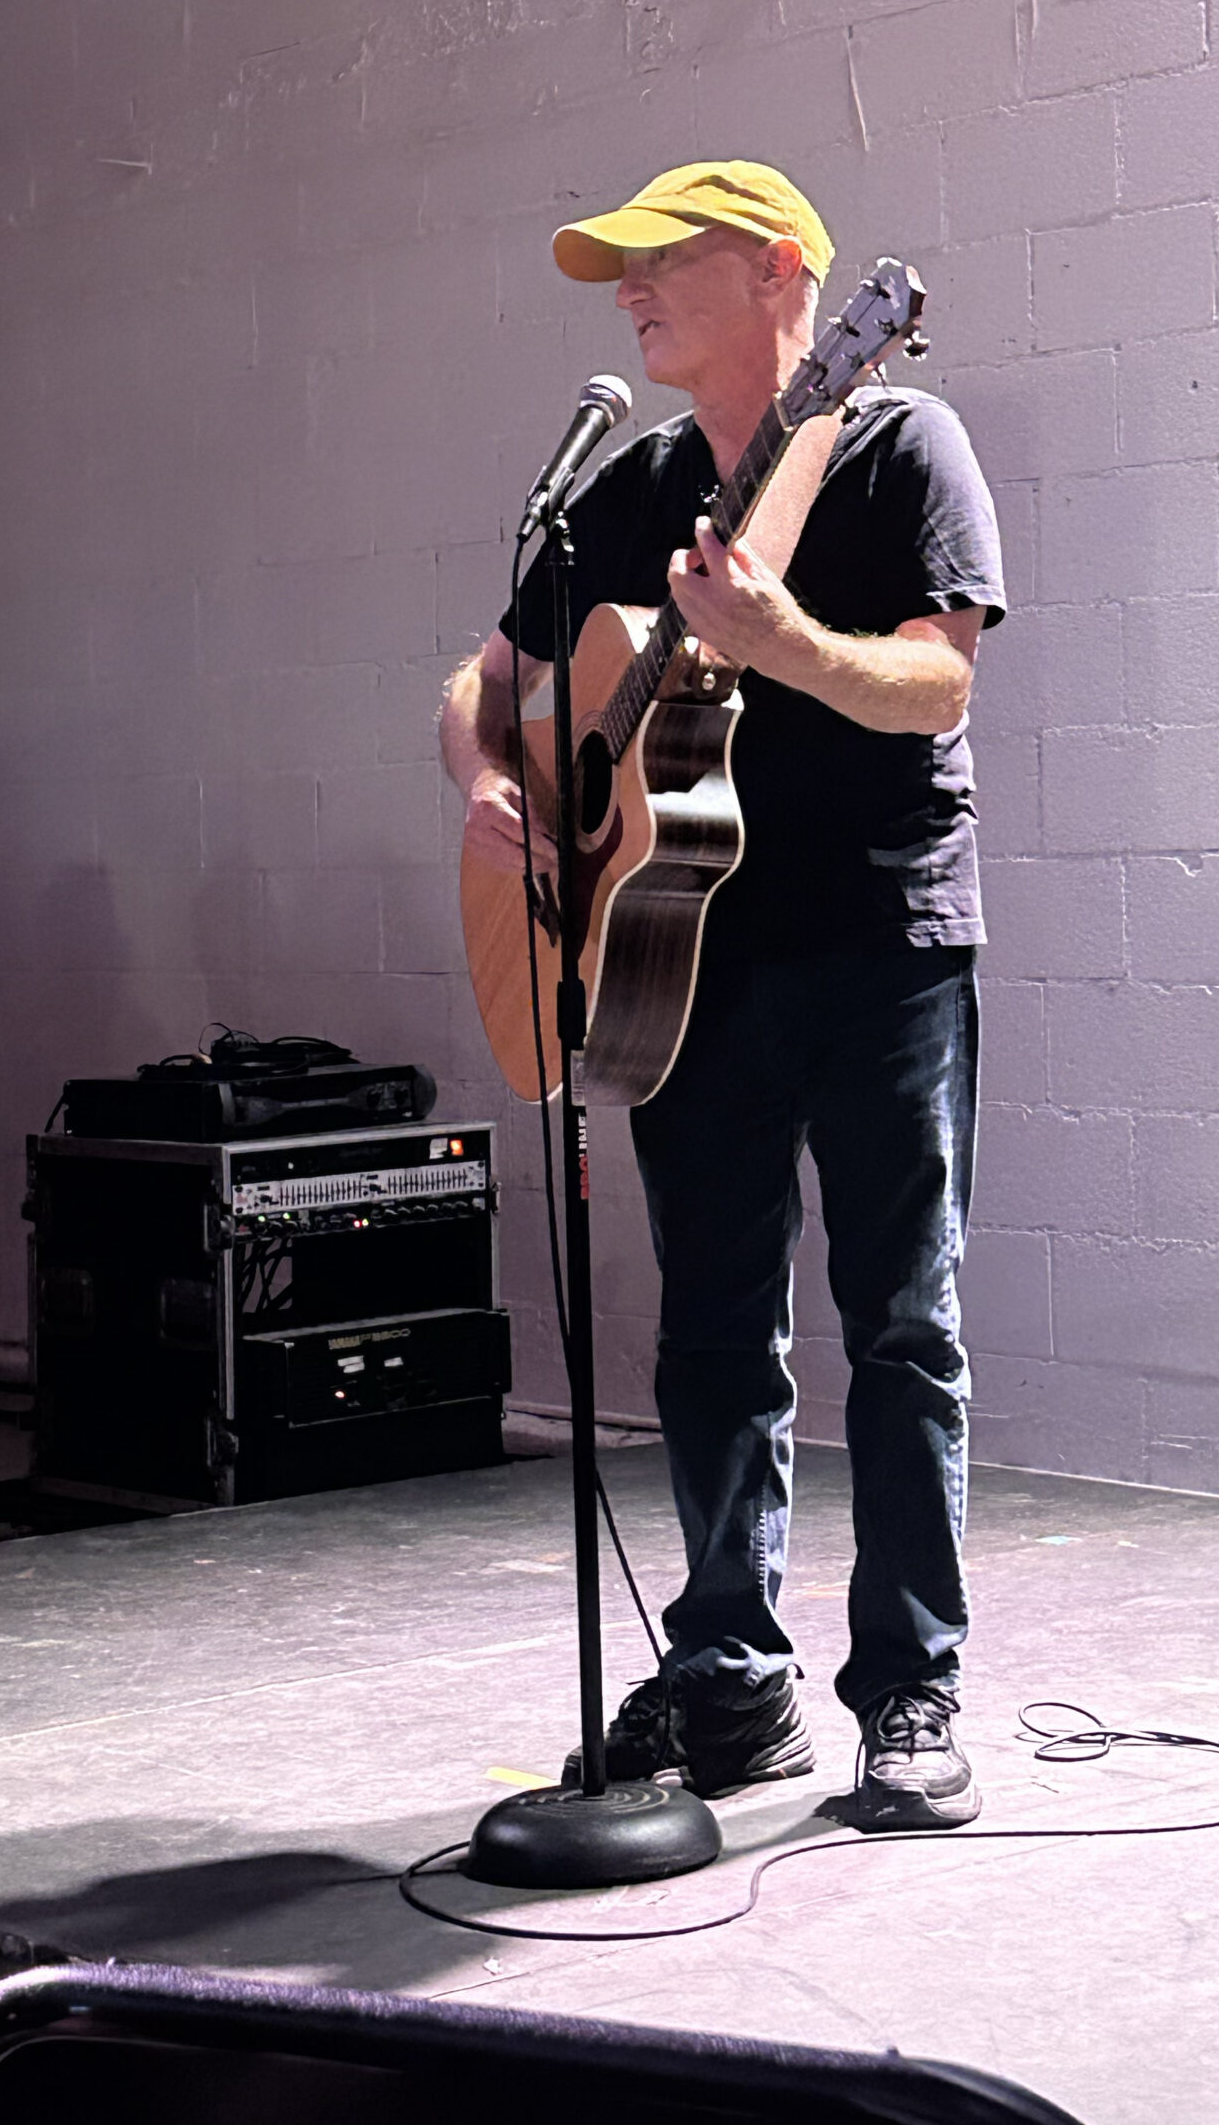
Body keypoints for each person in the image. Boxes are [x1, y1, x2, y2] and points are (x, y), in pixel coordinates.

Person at [438, 162, 1005, 1831]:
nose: (625, 291)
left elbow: (940, 681)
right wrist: (494, 783)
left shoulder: (903, 445)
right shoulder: (624, 490)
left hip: (882, 940)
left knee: (903, 1325)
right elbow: (485, 688)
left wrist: (787, 644)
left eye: (656, 260)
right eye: (614, 270)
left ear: (781, 275)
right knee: (710, 1339)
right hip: (677, 958)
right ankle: (729, 1685)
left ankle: (911, 1691)